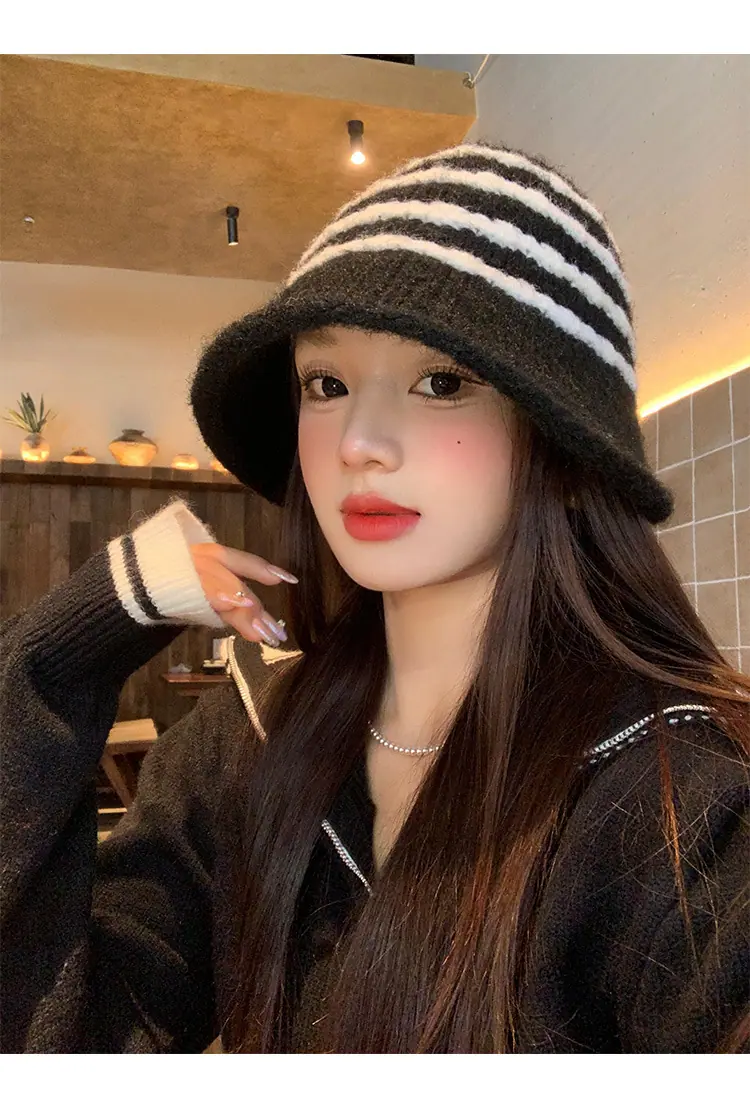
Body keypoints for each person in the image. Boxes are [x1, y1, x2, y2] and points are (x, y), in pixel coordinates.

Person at [1, 142, 748, 1055]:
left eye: (442, 381)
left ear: (558, 435)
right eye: (327, 383)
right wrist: (72, 645)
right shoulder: (250, 740)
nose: (359, 440)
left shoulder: (684, 805)